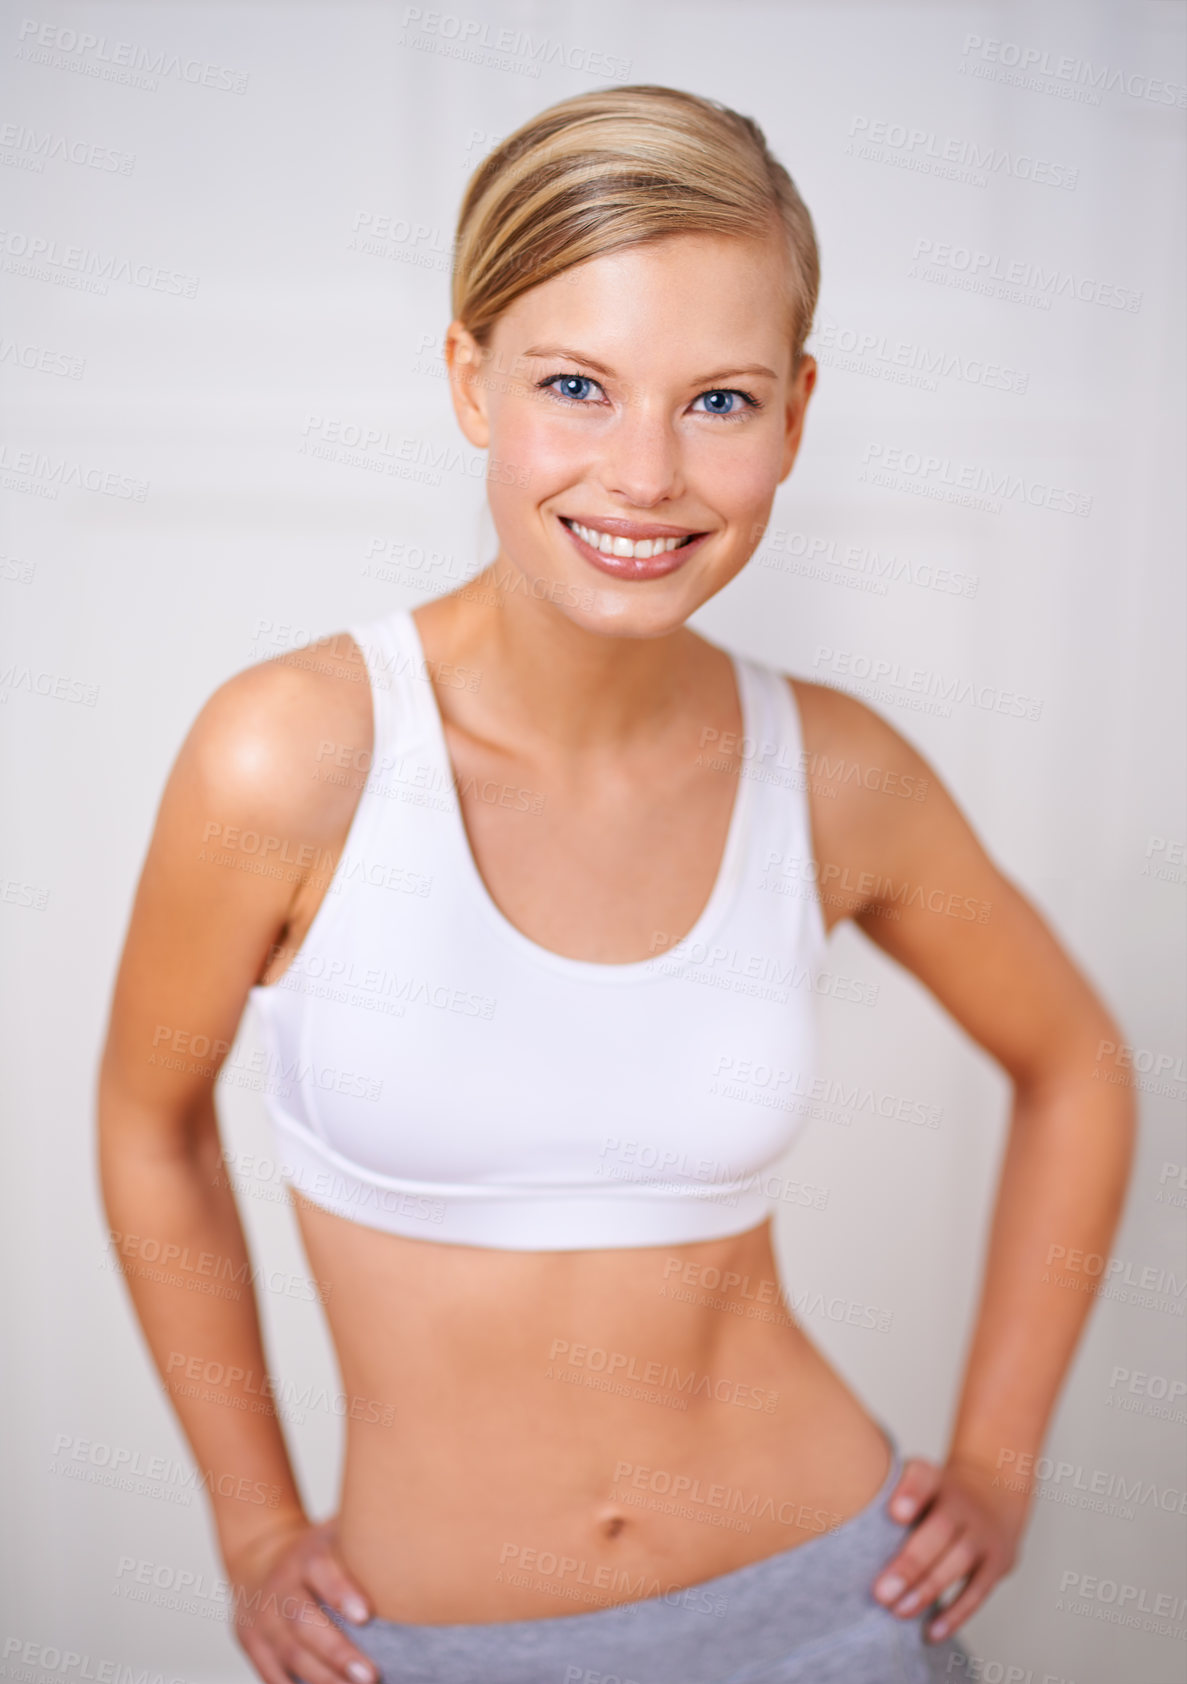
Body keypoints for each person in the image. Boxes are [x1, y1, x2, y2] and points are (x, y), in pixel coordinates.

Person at [97, 85, 1136, 1684]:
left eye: (718, 401)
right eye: (576, 385)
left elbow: (1077, 1063)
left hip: (832, 1615)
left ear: (795, 412)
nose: (643, 474)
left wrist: (998, 1460)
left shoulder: (836, 773)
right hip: (429, 1641)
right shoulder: (287, 757)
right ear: (469, 381)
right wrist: (252, 1527)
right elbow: (147, 1123)